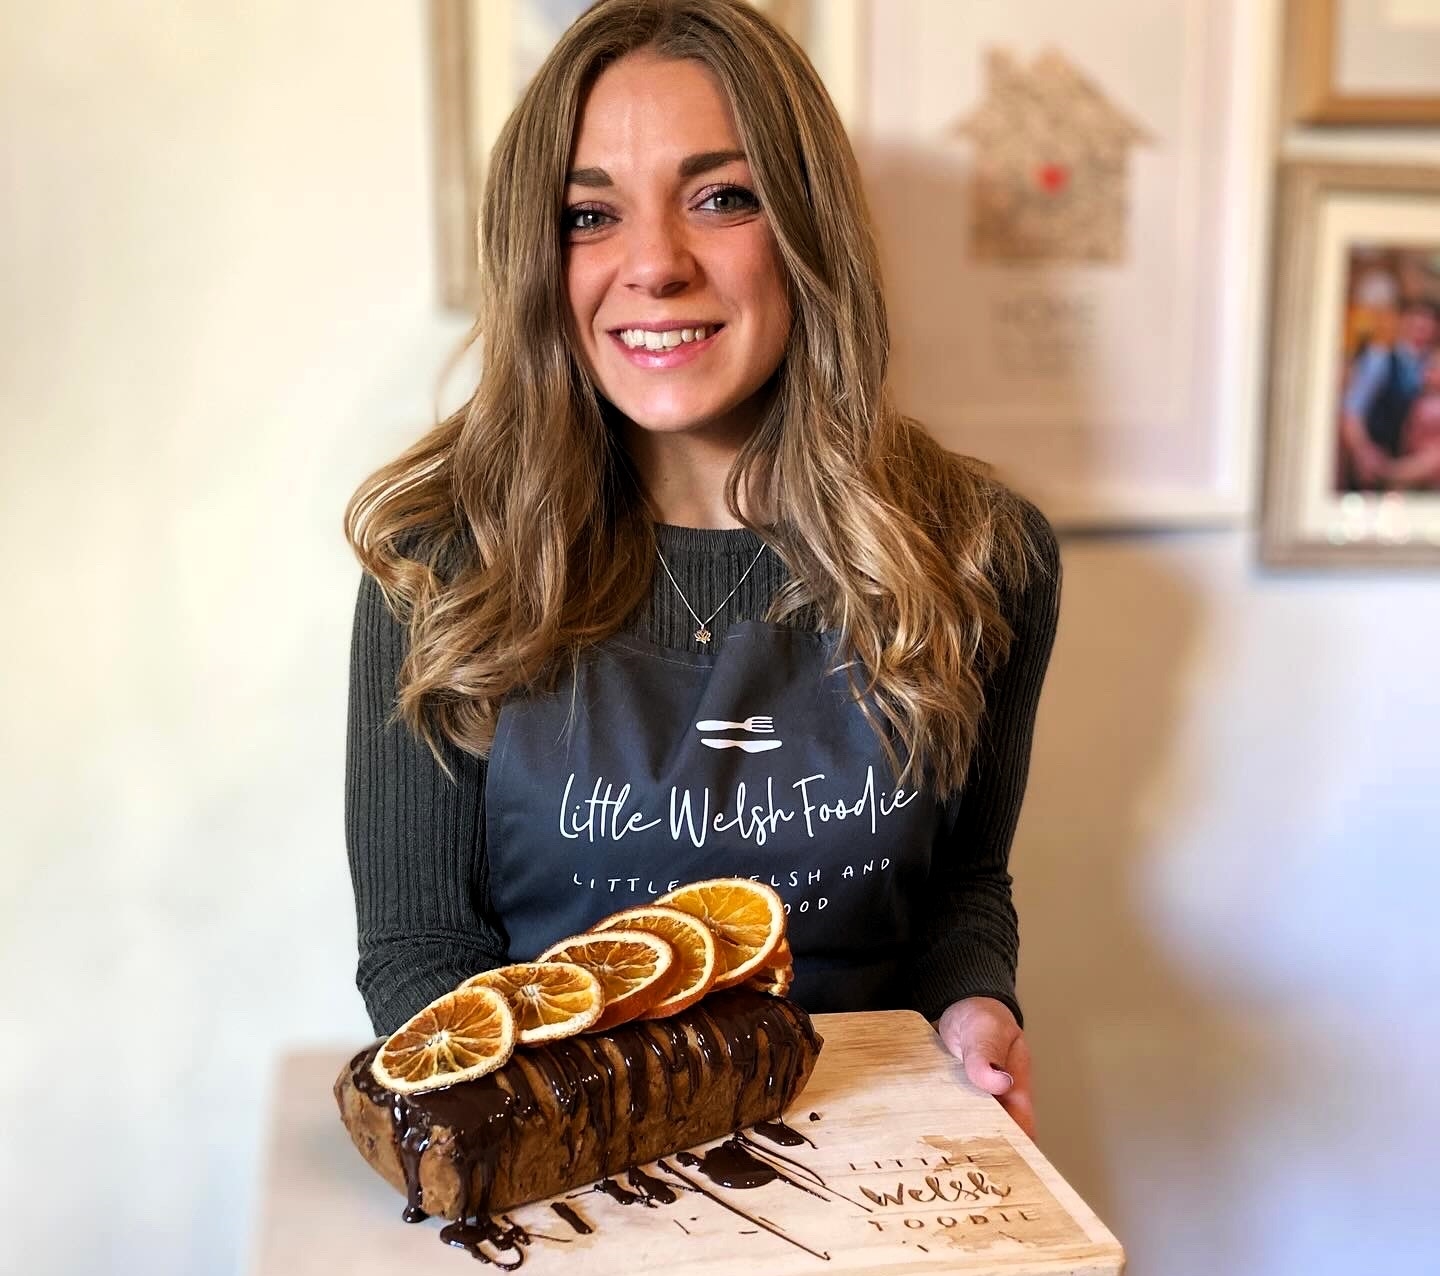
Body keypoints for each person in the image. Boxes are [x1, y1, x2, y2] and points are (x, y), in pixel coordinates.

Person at [344, 0, 1059, 1139]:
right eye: (590, 214)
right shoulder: (444, 565)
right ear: (539, 255)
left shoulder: (978, 550)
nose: (656, 265)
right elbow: (422, 955)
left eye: (723, 197)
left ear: (808, 226)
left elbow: (961, 893)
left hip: (876, 1164)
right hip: (559, 1167)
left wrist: (975, 1006)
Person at [1339, 298, 1439, 490]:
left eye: (1428, 325)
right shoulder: (1380, 359)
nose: (1422, 330)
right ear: (1403, 322)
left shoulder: (1432, 365)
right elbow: (1352, 411)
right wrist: (1364, 452)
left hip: (1416, 468)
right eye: (1416, 323)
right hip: (1376, 460)